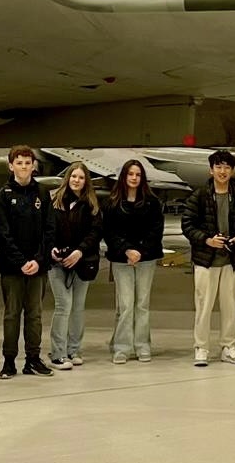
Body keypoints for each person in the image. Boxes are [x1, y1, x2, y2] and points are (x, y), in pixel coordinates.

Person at [182, 150, 235, 367]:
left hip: (231, 261)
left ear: (232, 171)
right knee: (203, 306)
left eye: (227, 167)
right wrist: (206, 240)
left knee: (230, 305)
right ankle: (201, 347)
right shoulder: (200, 195)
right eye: (219, 167)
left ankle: (229, 346)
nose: (223, 171)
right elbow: (188, 225)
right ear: (211, 170)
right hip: (206, 260)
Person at [0, 145, 54, 379]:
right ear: (11, 166)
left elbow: (50, 230)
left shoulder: (42, 193)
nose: (23, 167)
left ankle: (33, 359)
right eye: (19, 163)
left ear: (33, 166)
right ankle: (9, 361)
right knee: (11, 315)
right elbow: (3, 232)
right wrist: (20, 261)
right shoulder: (4, 194)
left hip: (38, 268)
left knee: (35, 315)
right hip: (12, 268)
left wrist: (39, 260)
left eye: (27, 163)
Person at [104, 159, 165, 364]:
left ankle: (142, 345)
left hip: (146, 258)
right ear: (124, 176)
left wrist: (140, 251)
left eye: (138, 175)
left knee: (142, 304)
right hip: (121, 260)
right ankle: (122, 347)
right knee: (126, 304)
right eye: (130, 174)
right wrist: (126, 250)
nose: (134, 178)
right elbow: (109, 232)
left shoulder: (152, 202)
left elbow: (156, 230)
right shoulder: (112, 202)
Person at [47, 162, 102, 371]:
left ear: (85, 181)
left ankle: (74, 349)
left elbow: (95, 232)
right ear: (67, 178)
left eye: (80, 177)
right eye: (73, 176)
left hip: (82, 261)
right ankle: (58, 353)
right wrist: (52, 249)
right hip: (57, 263)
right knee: (63, 305)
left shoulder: (91, 205)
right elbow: (48, 229)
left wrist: (79, 251)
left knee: (77, 308)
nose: (76, 181)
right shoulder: (54, 202)